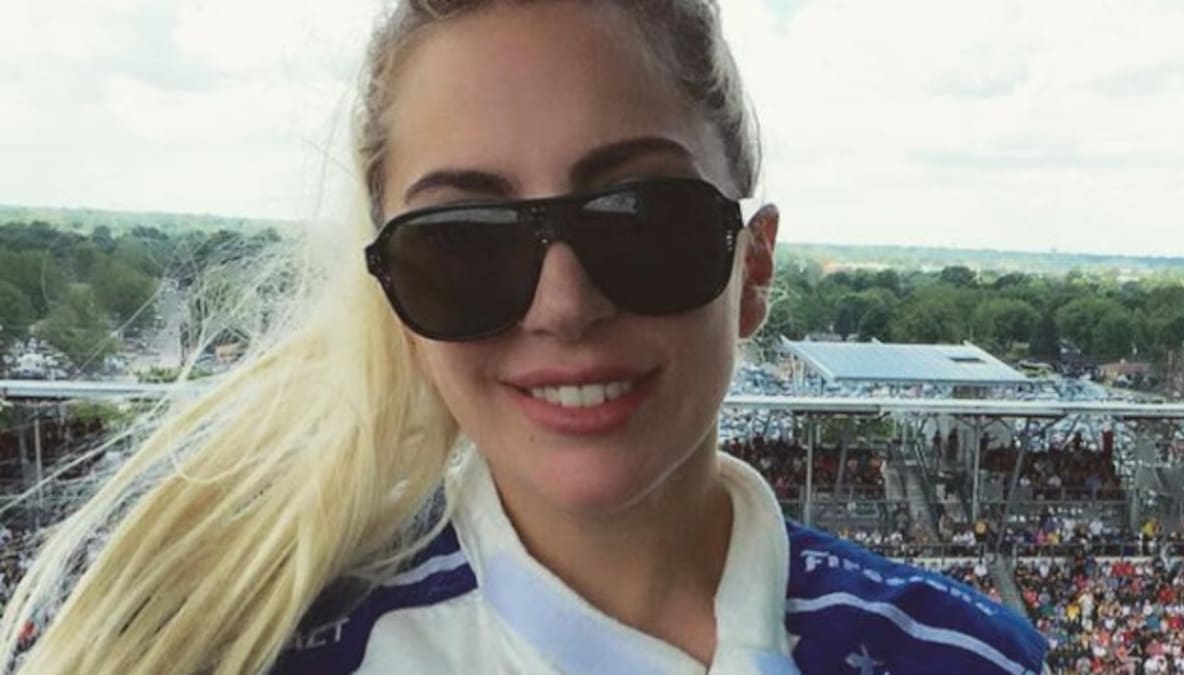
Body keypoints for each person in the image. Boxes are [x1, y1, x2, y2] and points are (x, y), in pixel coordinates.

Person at [0, 1, 1048, 673]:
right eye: (461, 245)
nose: (562, 304)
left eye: (641, 219)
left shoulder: (968, 658)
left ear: (754, 267)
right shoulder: (270, 654)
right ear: (396, 301)